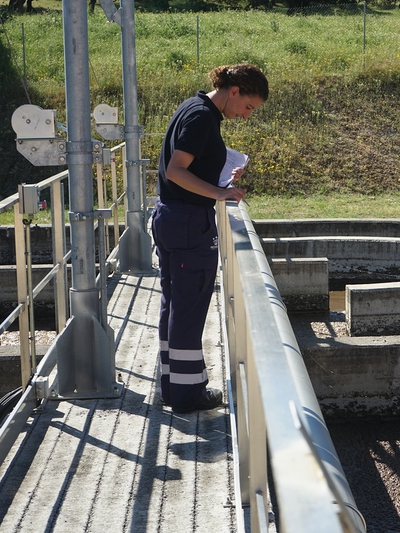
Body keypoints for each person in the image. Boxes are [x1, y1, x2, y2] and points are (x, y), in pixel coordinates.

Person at [151, 63, 269, 414]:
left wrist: (221, 180)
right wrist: (221, 195)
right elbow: (176, 171)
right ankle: (188, 395)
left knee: (174, 304)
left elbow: (187, 168)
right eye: (248, 107)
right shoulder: (203, 117)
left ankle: (173, 387)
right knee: (188, 308)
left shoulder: (193, 107)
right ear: (234, 91)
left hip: (173, 217)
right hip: (189, 222)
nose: (246, 116)